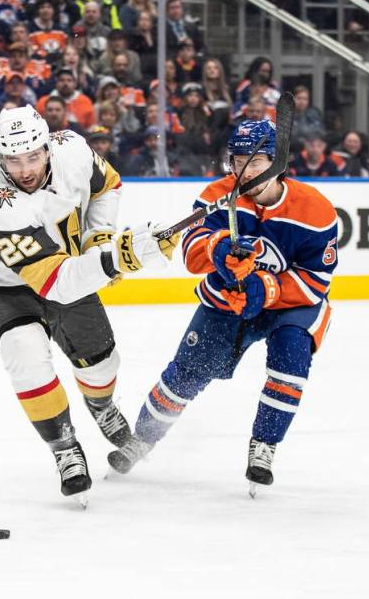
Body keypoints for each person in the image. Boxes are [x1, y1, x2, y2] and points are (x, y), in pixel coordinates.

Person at [107, 119, 338, 495]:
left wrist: (265, 287)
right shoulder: (217, 194)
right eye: (239, 160)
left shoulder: (315, 210)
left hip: (289, 304)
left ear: (278, 161)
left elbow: (316, 280)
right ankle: (142, 439)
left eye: (257, 161)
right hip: (227, 300)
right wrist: (218, 250)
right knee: (186, 374)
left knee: (291, 357)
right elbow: (191, 251)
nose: (245, 170)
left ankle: (264, 446)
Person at [0, 105, 179, 501]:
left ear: (48, 147)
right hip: (7, 289)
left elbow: (108, 185)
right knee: (25, 355)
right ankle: (65, 446)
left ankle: (100, 404)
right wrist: (122, 257)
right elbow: (56, 284)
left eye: (32, 155)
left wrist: (100, 238)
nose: (25, 169)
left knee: (103, 364)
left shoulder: (74, 149)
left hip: (72, 270)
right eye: (12, 160)